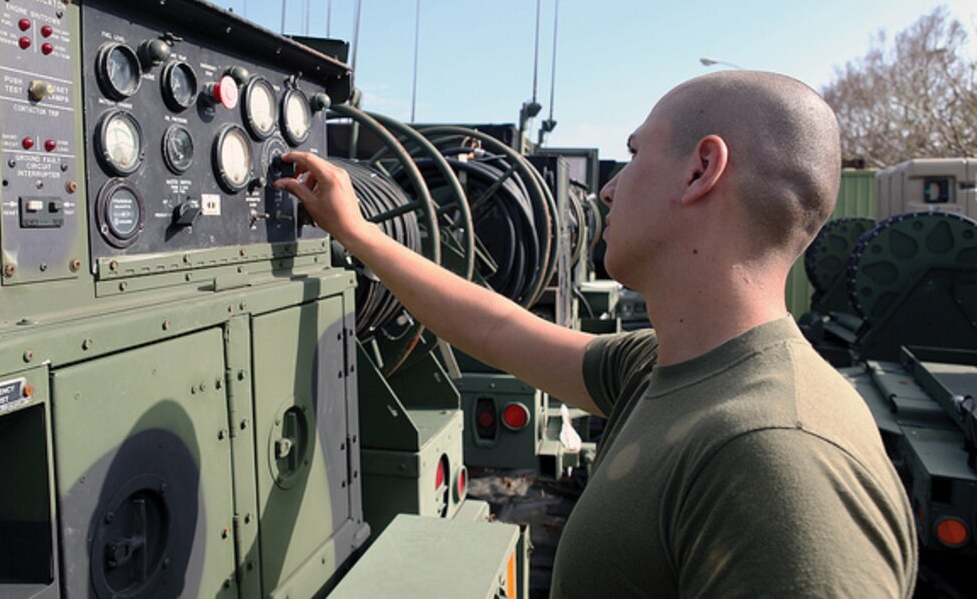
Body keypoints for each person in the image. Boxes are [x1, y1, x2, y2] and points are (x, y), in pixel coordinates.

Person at [275, 71, 917, 597]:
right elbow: (497, 329)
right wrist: (358, 233)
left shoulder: (779, 460)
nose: (608, 189)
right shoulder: (671, 368)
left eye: (636, 154)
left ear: (702, 171)